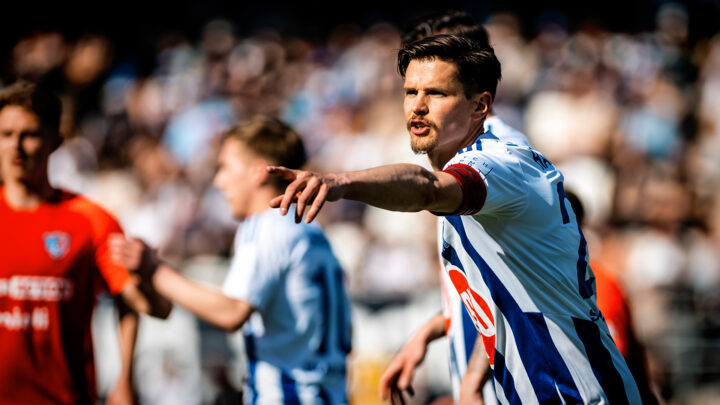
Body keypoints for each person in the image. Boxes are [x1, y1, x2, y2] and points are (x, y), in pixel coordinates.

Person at [269, 34, 642, 403]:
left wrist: (340, 182)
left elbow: (427, 188)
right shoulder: (473, 184)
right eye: (410, 92)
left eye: (436, 93)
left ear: (480, 106)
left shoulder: (497, 164)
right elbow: (507, 298)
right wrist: (452, 359)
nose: (417, 106)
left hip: (576, 392)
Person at [110, 116, 353, 404]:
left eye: (225, 167)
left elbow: (231, 311)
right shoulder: (313, 231)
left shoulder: (268, 224)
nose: (218, 179)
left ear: (259, 171)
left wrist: (155, 270)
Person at [380, 11, 531, 405]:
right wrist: (428, 333)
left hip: (513, 381)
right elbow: (483, 284)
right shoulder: (455, 152)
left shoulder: (498, 155)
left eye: (436, 84)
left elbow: (522, 284)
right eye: (412, 88)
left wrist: (473, 382)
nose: (419, 100)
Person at [0, 80, 171, 405]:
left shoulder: (91, 220)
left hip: (64, 397)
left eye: (30, 134)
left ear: (55, 141)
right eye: (6, 134)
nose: (15, 146)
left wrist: (124, 378)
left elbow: (147, 306)